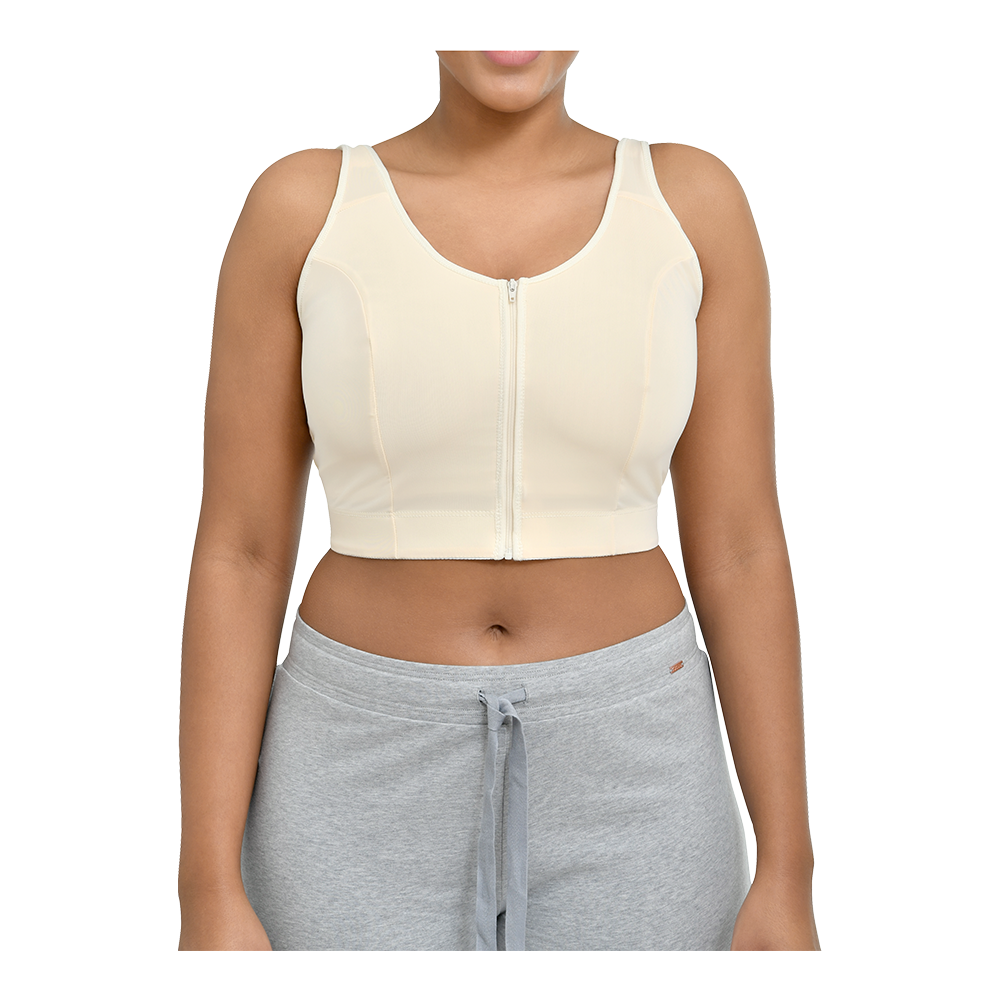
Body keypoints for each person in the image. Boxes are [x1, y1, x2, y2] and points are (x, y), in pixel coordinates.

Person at [178, 49, 820, 951]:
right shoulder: (304, 207)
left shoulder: (689, 204)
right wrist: (206, 887)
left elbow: (744, 545)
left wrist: (788, 867)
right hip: (355, 762)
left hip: (635, 763)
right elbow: (240, 552)